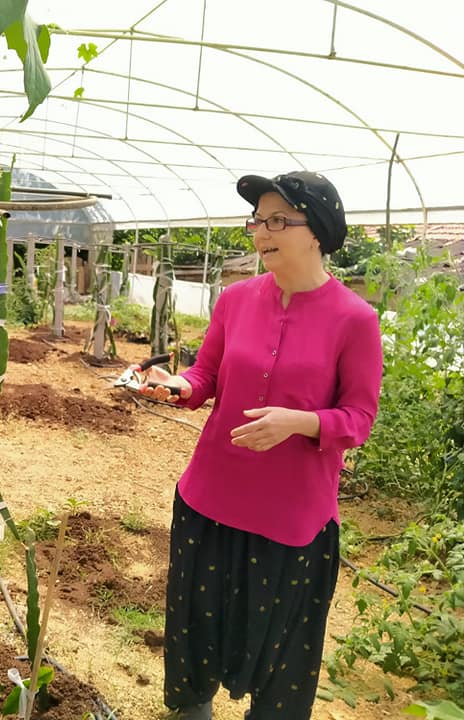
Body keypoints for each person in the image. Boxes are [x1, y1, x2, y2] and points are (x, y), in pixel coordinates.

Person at [140, 172, 383, 720]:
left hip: (292, 520)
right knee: (195, 632)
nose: (261, 232)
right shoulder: (235, 300)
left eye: (278, 220)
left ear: (316, 231)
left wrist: (298, 422)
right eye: (257, 220)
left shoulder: (355, 320)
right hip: (209, 499)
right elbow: (207, 374)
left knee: (282, 665)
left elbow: (359, 420)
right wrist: (179, 386)